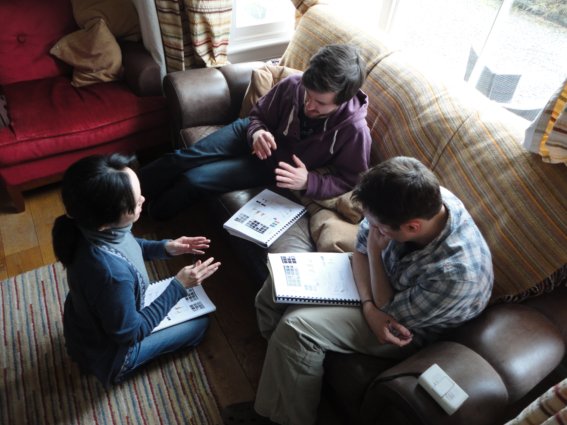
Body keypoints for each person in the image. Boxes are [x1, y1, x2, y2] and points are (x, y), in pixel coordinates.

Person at [247, 156, 494, 424]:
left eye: (377, 227)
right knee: (277, 283)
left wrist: (375, 251)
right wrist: (367, 302)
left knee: (296, 328)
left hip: (407, 328)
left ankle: (288, 418)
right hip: (378, 291)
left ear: (412, 227)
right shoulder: (415, 200)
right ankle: (282, 373)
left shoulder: (456, 277)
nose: (370, 227)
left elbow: (388, 310)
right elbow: (361, 252)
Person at [139, 44, 372, 220]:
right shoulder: (293, 84)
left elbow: (351, 179)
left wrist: (309, 181)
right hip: (248, 134)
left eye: (320, 103)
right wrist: (257, 132)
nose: (309, 105)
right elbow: (258, 116)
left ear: (344, 99)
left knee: (194, 180)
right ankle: (124, 193)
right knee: (181, 159)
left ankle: (149, 215)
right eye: (307, 95)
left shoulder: (354, 131)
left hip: (270, 166)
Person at [52, 153, 221, 388]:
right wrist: (178, 286)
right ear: (106, 220)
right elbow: (130, 333)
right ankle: (115, 369)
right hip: (110, 354)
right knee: (199, 326)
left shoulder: (88, 226)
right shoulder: (110, 275)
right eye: (135, 201)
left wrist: (165, 248)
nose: (143, 198)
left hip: (87, 324)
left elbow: (129, 245)